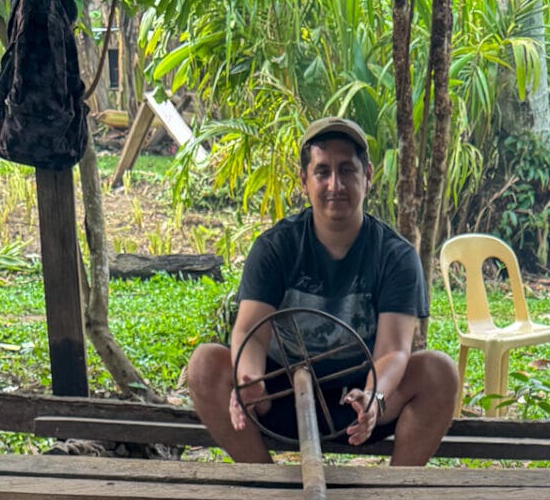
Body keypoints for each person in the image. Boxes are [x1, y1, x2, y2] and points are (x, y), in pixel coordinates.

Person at [186, 119, 459, 466]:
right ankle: (267, 489)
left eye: (347, 170)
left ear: (368, 175)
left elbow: (393, 350)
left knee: (439, 372)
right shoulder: (275, 247)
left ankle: (394, 497)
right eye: (323, 172)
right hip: (279, 395)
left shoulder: (395, 256)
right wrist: (249, 380)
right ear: (304, 181)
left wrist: (374, 397)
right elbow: (250, 333)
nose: (336, 184)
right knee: (205, 365)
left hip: (357, 402)